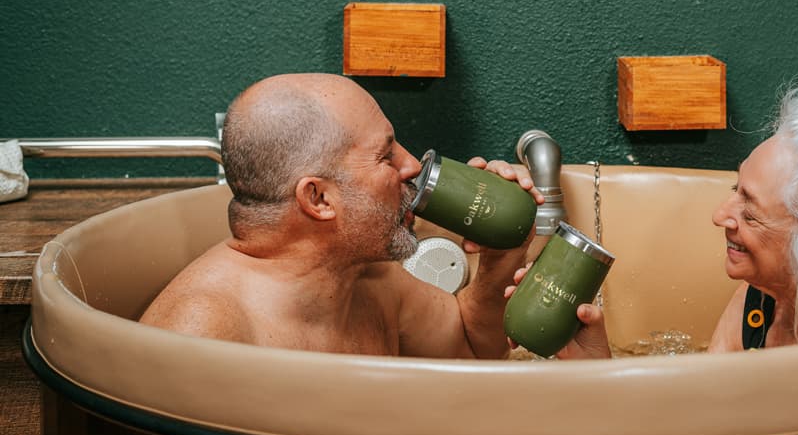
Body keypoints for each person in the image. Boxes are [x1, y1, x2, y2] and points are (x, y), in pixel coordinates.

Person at [509, 77, 798, 358]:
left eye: (750, 213)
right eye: (736, 190)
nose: (721, 215)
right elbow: (690, 427)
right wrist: (595, 365)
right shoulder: (761, 301)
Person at [139, 73, 540, 358]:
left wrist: (501, 258)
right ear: (318, 198)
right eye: (386, 155)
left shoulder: (367, 276)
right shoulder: (204, 331)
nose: (413, 167)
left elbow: (471, 348)